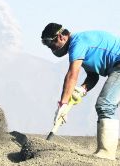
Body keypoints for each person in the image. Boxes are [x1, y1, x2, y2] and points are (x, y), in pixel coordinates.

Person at [41, 23, 120, 160]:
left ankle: (106, 154)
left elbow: (72, 74)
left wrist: (63, 104)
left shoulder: (77, 43)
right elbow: (93, 76)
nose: (52, 50)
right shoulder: (80, 46)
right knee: (106, 104)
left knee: (105, 105)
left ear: (60, 37)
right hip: (116, 67)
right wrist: (82, 89)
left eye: (51, 45)